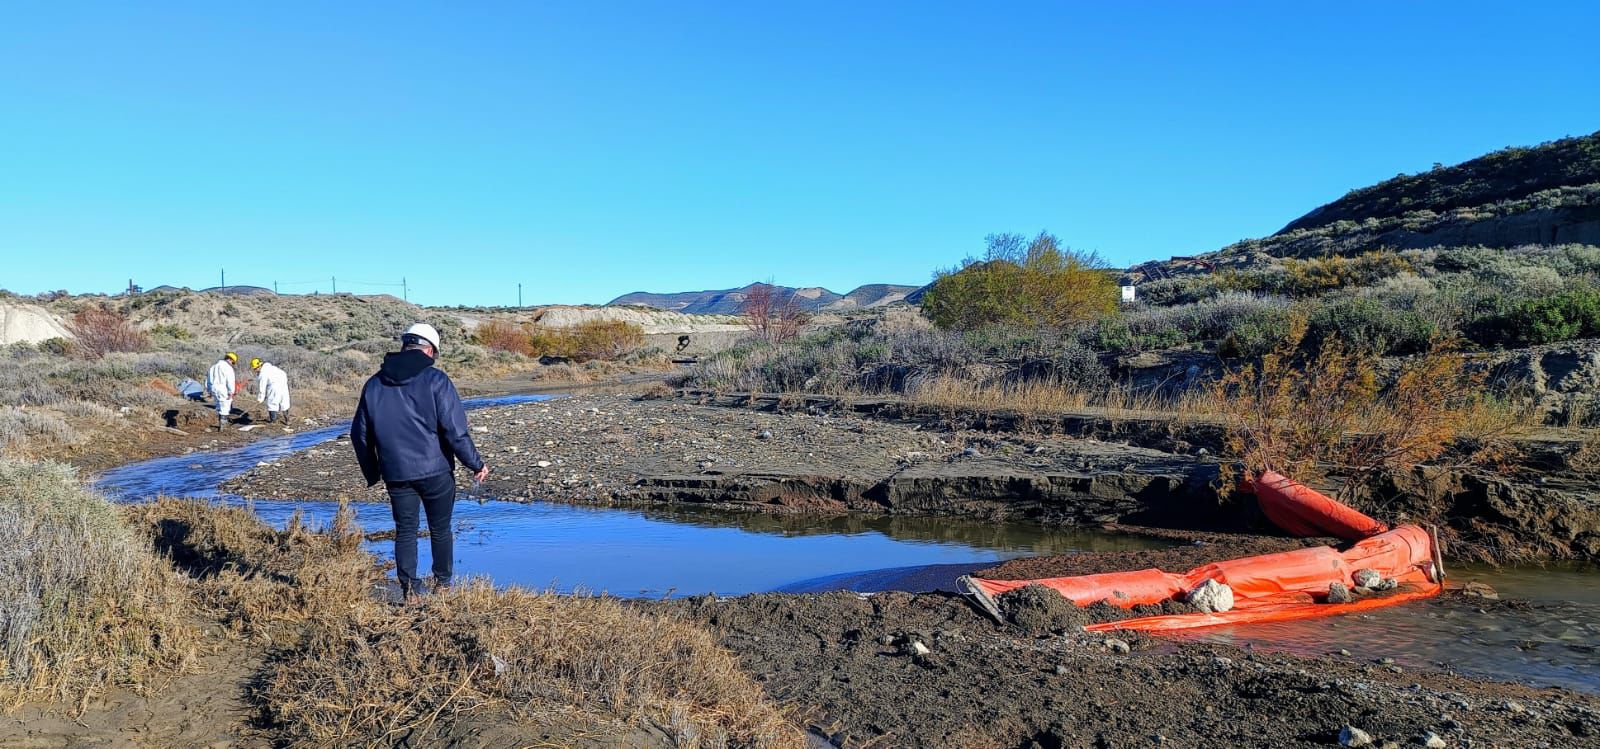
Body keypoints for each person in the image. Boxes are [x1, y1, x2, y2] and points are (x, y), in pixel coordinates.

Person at [350, 323, 489, 598]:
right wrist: (475, 464)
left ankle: (410, 591)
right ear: (429, 350)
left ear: (405, 346)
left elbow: (359, 435)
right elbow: (455, 431)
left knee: (405, 531)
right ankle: (442, 586)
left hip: (396, 473)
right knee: (440, 530)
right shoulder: (437, 380)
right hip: (436, 471)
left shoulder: (374, 384)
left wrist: (373, 472)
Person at [250, 357, 292, 424]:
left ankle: (273, 421)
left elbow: (262, 387)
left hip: (274, 387)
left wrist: (260, 399)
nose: (255, 370)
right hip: (284, 386)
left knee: (272, 403)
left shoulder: (263, 373)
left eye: (255, 368)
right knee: (284, 402)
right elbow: (284, 374)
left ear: (259, 366)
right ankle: (287, 420)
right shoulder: (273, 368)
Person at [205, 352, 237, 431]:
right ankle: (222, 427)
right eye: (233, 362)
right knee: (225, 407)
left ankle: (221, 424)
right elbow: (230, 381)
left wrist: (209, 390)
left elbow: (208, 380)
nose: (232, 364)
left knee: (219, 406)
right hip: (223, 389)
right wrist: (231, 391)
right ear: (230, 359)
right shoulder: (228, 368)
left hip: (214, 388)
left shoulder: (213, 367)